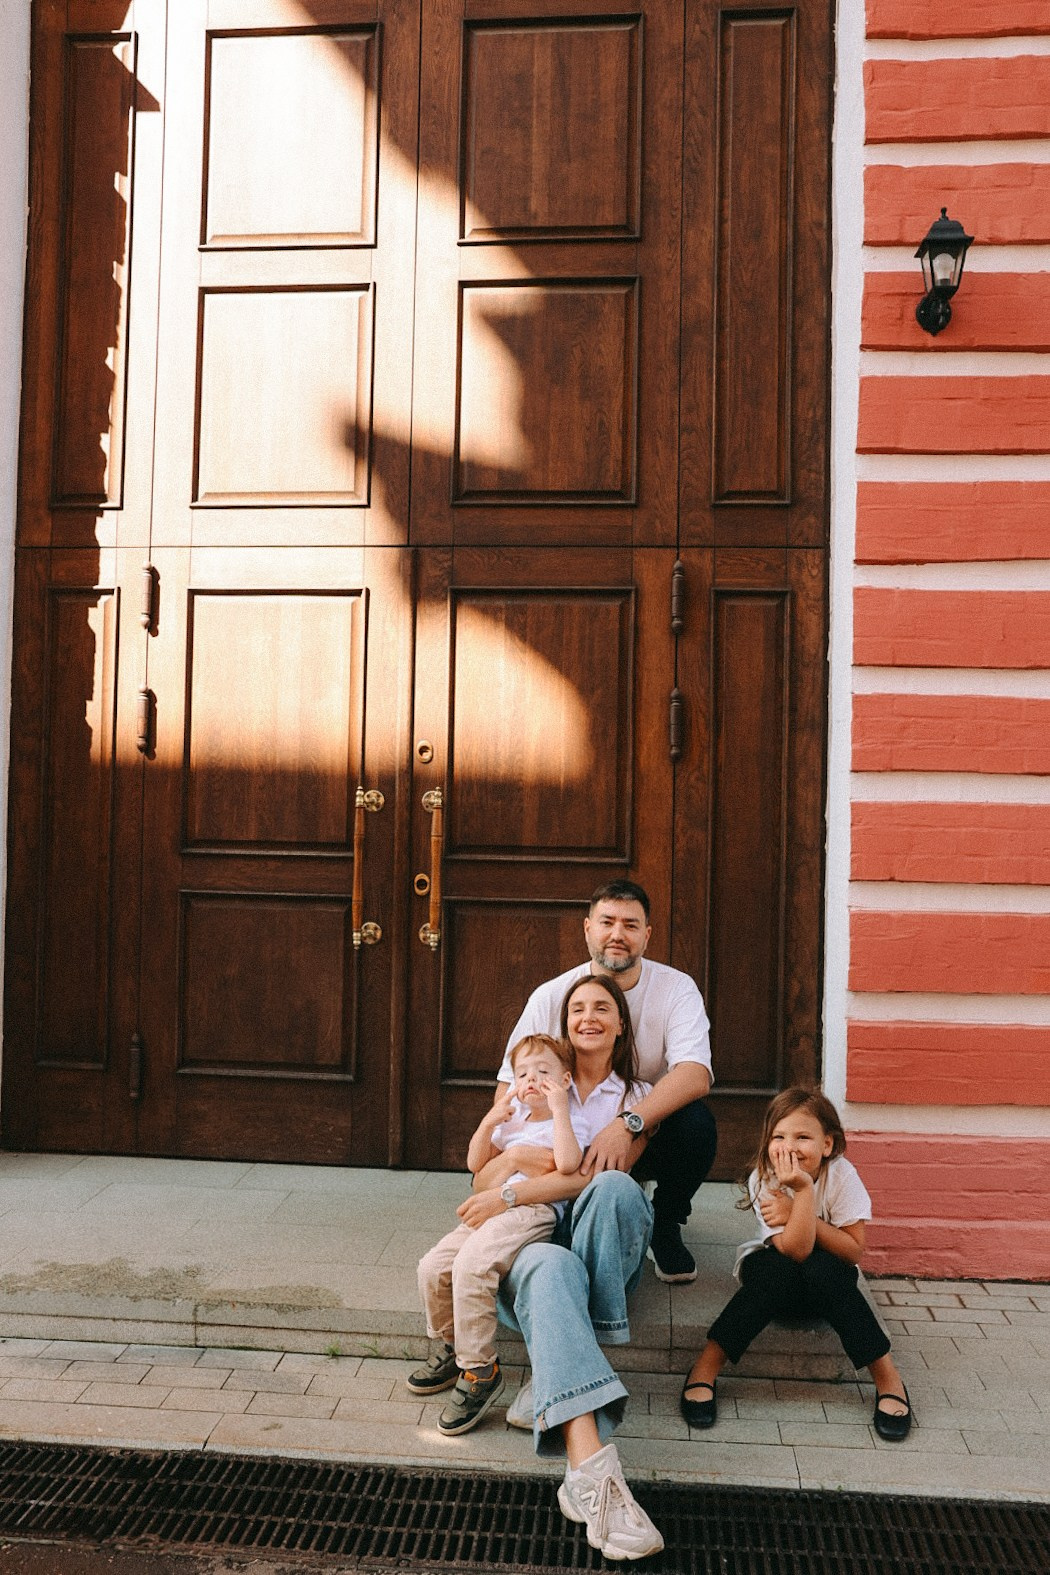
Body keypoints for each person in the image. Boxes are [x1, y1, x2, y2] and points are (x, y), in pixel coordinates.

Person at [463, 972, 665, 1559]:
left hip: (598, 1242)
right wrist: (515, 1162)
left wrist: (512, 1191)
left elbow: (592, 1177)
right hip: (537, 1246)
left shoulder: (636, 1097)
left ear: (622, 1024)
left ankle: (561, 1370)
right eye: (577, 1009)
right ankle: (597, 1482)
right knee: (549, 1266)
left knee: (616, 1189)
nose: (589, 1017)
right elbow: (479, 1173)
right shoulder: (535, 1081)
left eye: (603, 1008)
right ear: (565, 1023)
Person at [498, 879, 716, 1283]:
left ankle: (664, 1224)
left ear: (647, 936)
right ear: (587, 929)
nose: (618, 935)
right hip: (567, 1134)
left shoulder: (675, 988)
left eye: (631, 925)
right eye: (607, 922)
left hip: (642, 1125)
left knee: (697, 1124)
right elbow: (511, 1084)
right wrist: (507, 1157)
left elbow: (695, 1073)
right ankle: (557, 1216)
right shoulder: (551, 995)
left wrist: (627, 1124)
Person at [679, 1087, 913, 1442]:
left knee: (824, 1269)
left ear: (827, 1145)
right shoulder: (766, 1177)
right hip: (776, 1277)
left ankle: (887, 1377)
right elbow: (793, 1250)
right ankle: (707, 1366)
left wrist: (799, 1204)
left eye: (803, 1137)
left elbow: (852, 1251)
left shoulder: (843, 1177)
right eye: (778, 1136)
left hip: (825, 1286)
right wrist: (803, 1193)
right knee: (777, 1270)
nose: (788, 1147)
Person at [408, 1033, 589, 1435]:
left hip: (532, 1210)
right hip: (490, 1210)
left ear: (565, 1080)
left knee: (474, 1266)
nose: (531, 1080)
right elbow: (476, 1165)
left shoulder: (572, 1117)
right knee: (433, 1266)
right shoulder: (513, 1124)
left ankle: (479, 1372)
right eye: (522, 1073)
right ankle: (455, 1347)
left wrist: (560, 1107)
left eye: (543, 1072)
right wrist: (491, 1120)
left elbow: (568, 1163)